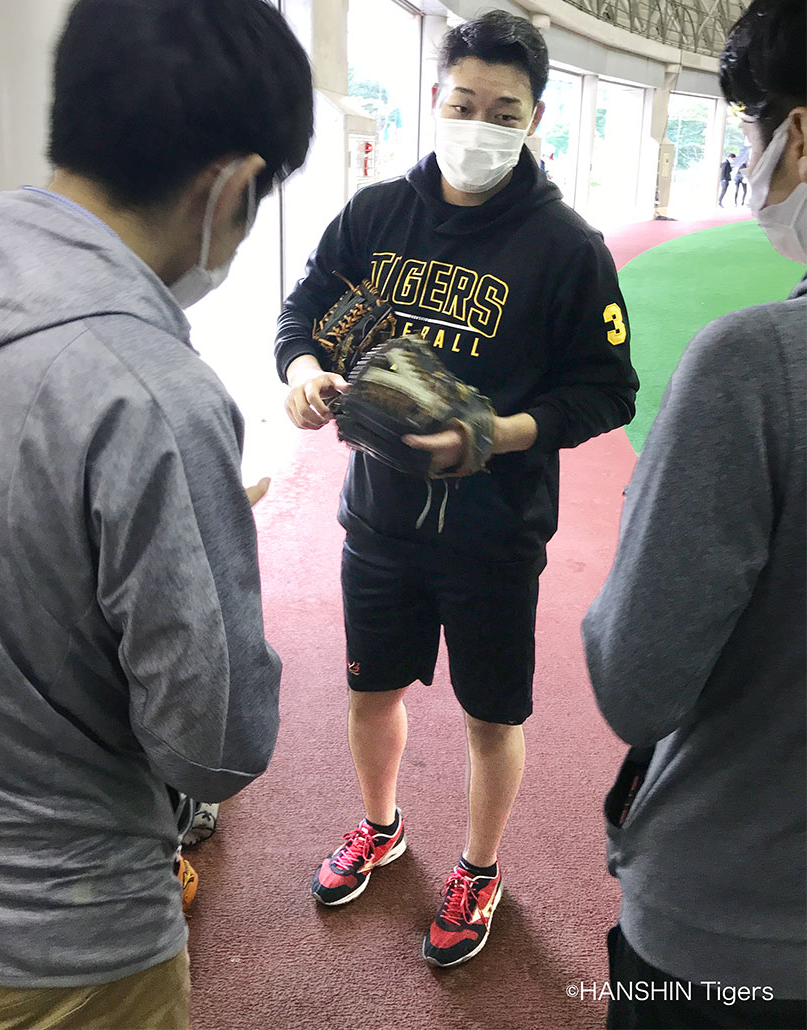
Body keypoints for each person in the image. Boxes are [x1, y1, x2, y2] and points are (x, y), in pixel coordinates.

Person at [0, 1, 312, 1027]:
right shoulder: (151, 395)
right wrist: (208, 553)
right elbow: (214, 747)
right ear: (229, 187)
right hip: (62, 948)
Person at [275, 11, 638, 969]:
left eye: (504, 111)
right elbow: (304, 311)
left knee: (491, 717)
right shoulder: (375, 216)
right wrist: (303, 372)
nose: (480, 124)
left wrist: (498, 434)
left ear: (535, 117)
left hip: (494, 535)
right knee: (371, 692)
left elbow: (609, 390)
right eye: (464, 103)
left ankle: (479, 869)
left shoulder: (566, 247)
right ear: (437, 100)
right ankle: (381, 825)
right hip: (380, 522)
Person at [582, 0, 806, 1026]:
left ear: (796, 135)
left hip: (732, 931)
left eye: (753, 136)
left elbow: (636, 682)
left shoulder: (753, 368)